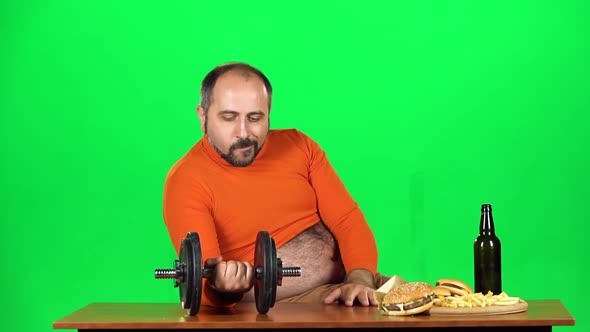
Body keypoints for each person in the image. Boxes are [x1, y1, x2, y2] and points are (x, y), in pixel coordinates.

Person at [162, 62, 388, 308]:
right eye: (228, 117)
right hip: (282, 305)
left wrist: (361, 277)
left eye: (255, 117)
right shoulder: (186, 179)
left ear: (268, 113)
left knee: (427, 305)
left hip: (351, 282)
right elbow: (203, 286)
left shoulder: (299, 146)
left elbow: (347, 219)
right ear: (203, 116)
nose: (244, 132)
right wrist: (224, 289)